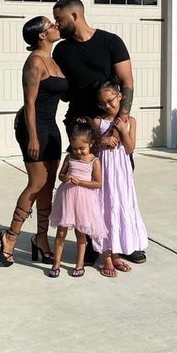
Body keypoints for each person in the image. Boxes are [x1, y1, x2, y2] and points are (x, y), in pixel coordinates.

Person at [52, 0, 146, 264]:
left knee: (119, 187)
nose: (58, 26)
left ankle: (126, 243)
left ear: (74, 16)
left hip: (113, 126)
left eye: (59, 20)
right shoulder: (62, 51)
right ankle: (94, 242)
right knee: (87, 191)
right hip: (81, 128)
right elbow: (64, 91)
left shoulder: (110, 42)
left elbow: (127, 82)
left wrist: (120, 124)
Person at [0, 16, 67, 266]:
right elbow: (29, 103)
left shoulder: (52, 60)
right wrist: (32, 136)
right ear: (41, 35)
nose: (56, 26)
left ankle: (41, 239)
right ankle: (10, 236)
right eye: (50, 25)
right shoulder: (34, 62)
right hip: (34, 127)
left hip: (51, 127)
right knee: (36, 183)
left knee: (48, 185)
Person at [92, 80, 148, 277]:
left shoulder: (130, 121)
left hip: (122, 174)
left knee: (120, 207)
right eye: (103, 103)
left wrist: (123, 130)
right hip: (105, 173)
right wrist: (102, 140)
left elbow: (130, 148)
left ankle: (117, 255)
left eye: (110, 101)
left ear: (120, 97)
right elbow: (88, 146)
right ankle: (106, 256)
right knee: (106, 208)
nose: (108, 106)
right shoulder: (98, 122)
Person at [48, 119, 105, 278]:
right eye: (75, 148)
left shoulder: (94, 161)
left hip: (84, 201)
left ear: (91, 143)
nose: (78, 152)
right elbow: (60, 175)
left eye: (82, 148)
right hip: (66, 199)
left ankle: (79, 264)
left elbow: (98, 183)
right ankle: (56, 263)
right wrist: (65, 178)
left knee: (81, 234)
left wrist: (80, 182)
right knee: (60, 233)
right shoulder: (70, 158)